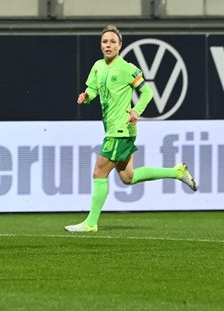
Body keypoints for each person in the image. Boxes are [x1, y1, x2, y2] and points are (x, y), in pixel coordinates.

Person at [64, 25, 197, 232]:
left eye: (112, 42)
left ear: (120, 45)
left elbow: (148, 92)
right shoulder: (98, 66)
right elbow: (92, 89)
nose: (108, 45)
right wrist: (86, 96)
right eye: (105, 42)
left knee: (99, 173)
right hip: (114, 130)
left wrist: (137, 110)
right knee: (128, 177)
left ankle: (90, 223)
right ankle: (177, 172)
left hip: (121, 129)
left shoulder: (127, 68)